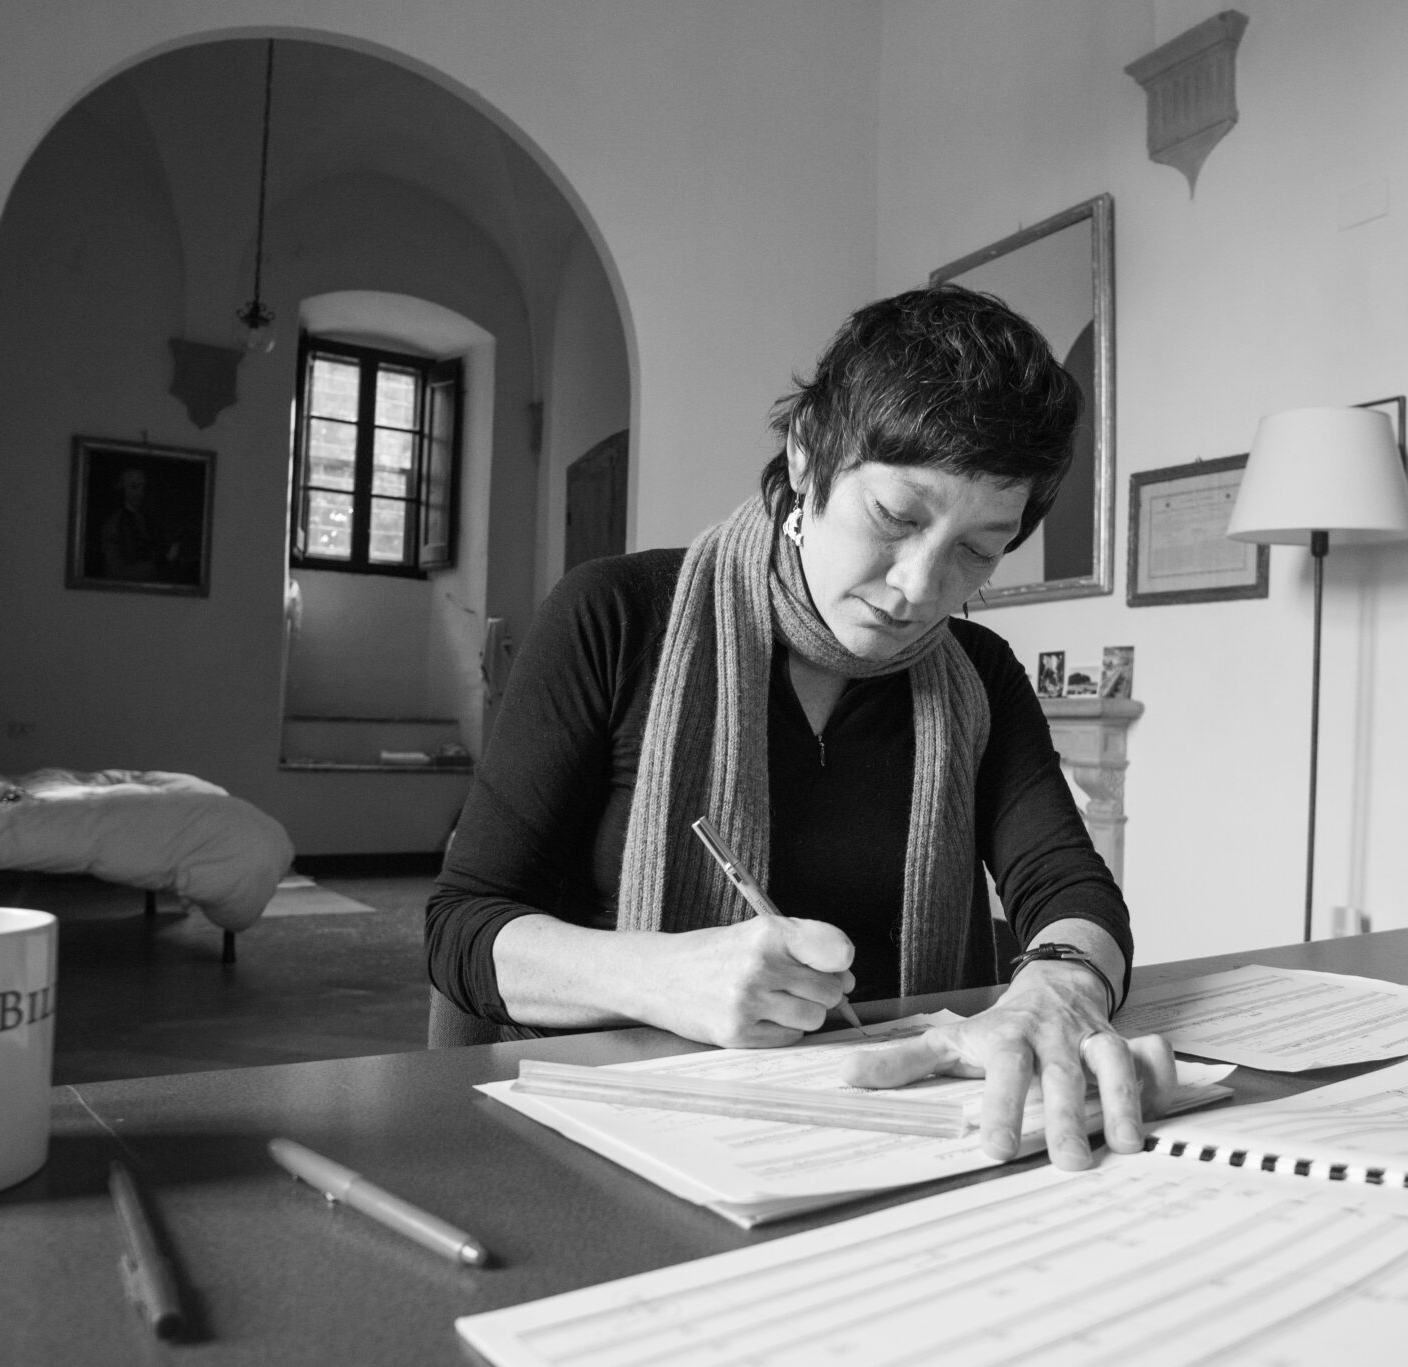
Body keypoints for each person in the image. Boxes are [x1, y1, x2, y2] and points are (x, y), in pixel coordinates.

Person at [426, 284, 1173, 1169]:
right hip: (608, 1137)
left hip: (885, 1139)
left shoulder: (983, 676)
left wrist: (1060, 985)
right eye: (896, 517)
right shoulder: (615, 616)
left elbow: (1074, 893)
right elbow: (463, 928)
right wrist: (671, 978)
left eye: (978, 548)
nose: (919, 586)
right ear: (811, 457)